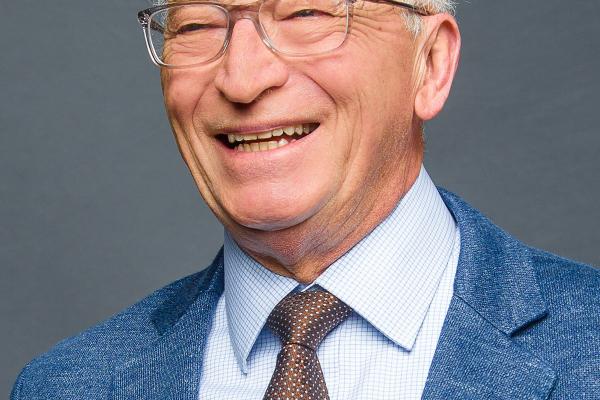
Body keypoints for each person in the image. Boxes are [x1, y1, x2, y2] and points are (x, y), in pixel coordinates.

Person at [11, 0, 599, 398]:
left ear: (430, 64)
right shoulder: (68, 385)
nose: (242, 79)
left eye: (305, 13)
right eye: (195, 25)